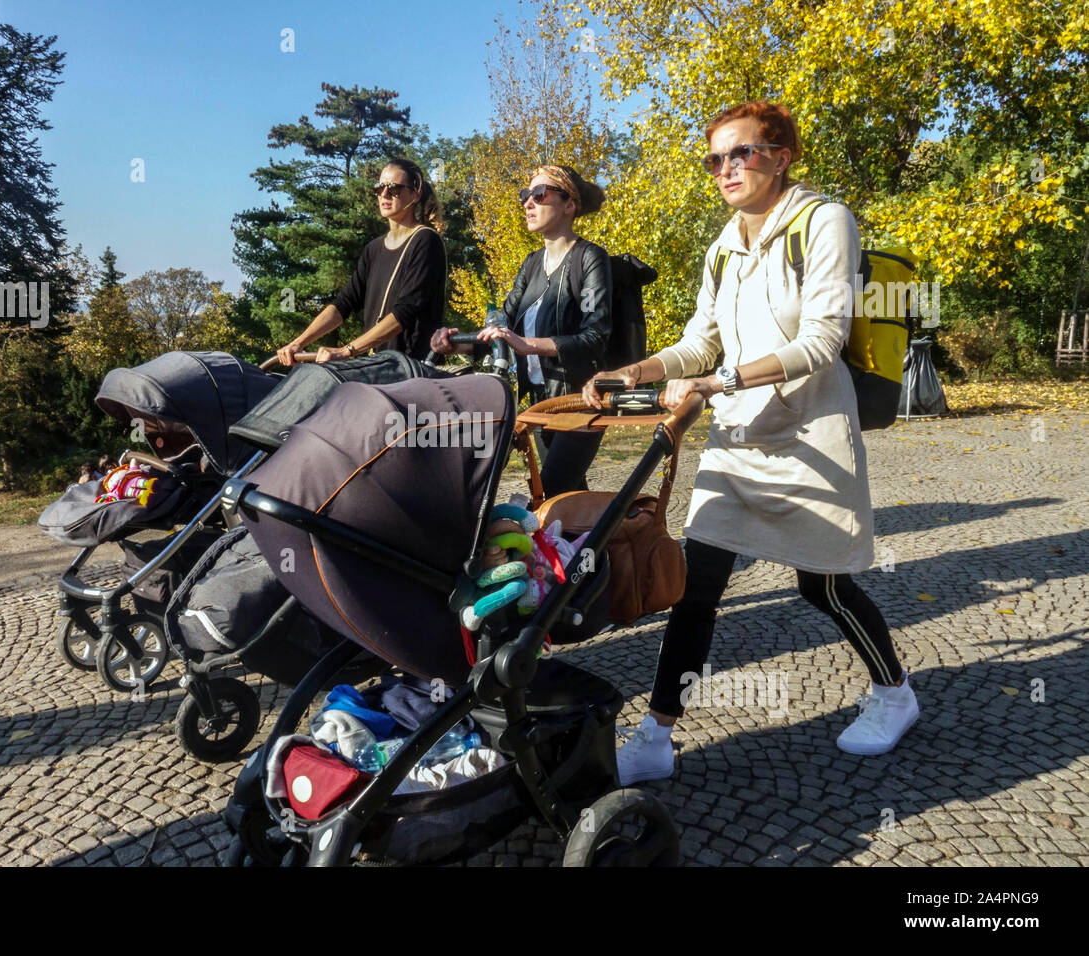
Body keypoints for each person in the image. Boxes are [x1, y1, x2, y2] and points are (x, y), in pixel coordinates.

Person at [583, 101, 919, 783]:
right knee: (696, 585)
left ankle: (894, 693)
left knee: (822, 586)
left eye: (744, 153)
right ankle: (656, 735)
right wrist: (633, 372)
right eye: (715, 158)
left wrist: (717, 382)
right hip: (738, 441)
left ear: (782, 156)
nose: (727, 169)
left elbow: (823, 341)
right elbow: (700, 340)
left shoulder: (825, 221)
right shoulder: (724, 245)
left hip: (809, 436)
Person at [430, 164, 612, 497]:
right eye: (524, 195)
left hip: (580, 401)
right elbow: (503, 327)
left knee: (553, 493)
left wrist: (528, 345)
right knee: (569, 503)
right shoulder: (530, 263)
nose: (528, 202)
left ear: (569, 204)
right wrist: (456, 345)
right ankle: (598, 551)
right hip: (543, 403)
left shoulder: (590, 258)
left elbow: (595, 337)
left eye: (539, 194)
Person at [276, 157, 446, 365]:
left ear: (415, 193)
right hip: (378, 366)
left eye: (393, 188)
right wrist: (299, 342)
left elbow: (405, 312)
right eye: (379, 188)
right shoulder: (373, 249)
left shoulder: (426, 241)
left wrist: (346, 351)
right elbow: (343, 304)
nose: (384, 194)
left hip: (411, 370)